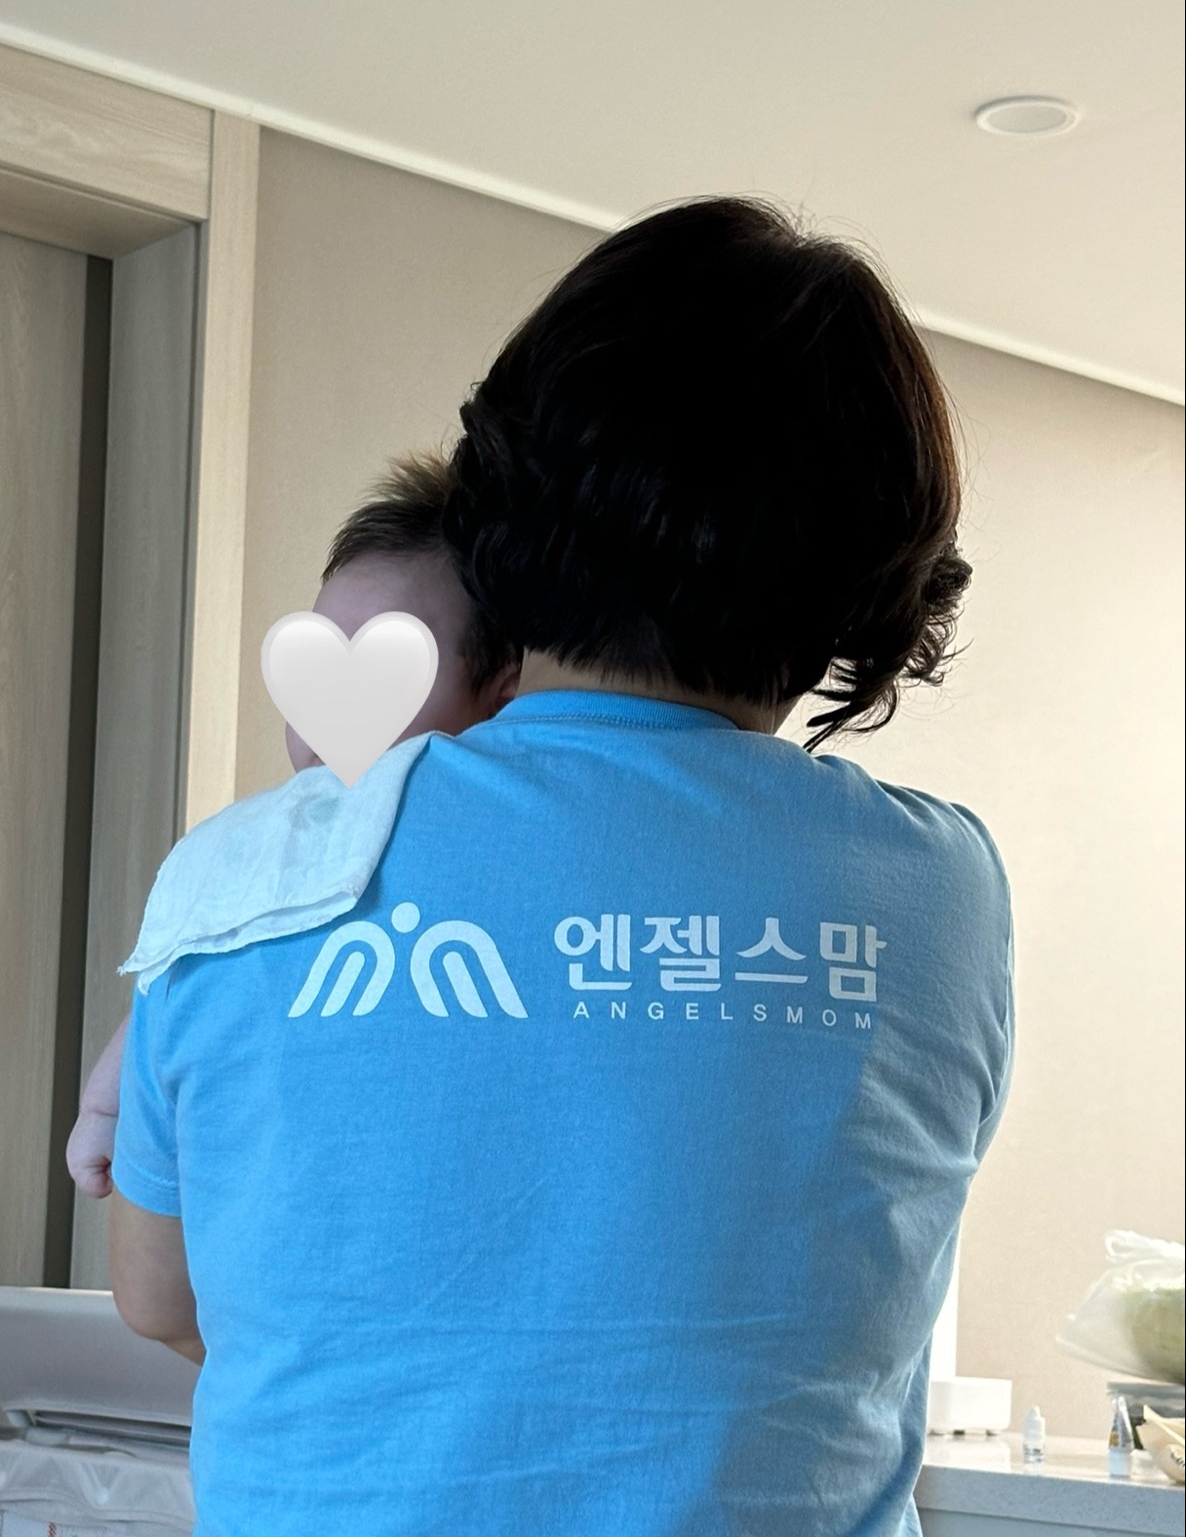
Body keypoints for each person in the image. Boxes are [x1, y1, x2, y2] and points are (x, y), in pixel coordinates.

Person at [109, 197, 1014, 1537]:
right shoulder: (940, 894)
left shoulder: (241, 874)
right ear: (872, 579)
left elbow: (158, 1297)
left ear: (502, 495)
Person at [66, 452, 521, 1199]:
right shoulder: (275, 846)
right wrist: (106, 1107)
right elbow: (194, 946)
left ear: (502, 700)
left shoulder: (508, 835)